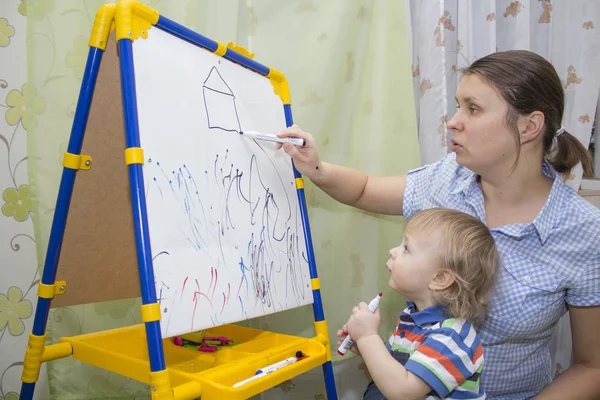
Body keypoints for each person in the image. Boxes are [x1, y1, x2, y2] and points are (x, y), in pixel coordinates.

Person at [276, 50, 600, 399]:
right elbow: (366, 189)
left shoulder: (583, 231)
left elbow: (591, 367)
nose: (453, 121)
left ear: (529, 126)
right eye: (458, 105)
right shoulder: (447, 178)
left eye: (473, 109)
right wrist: (315, 167)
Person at [337, 208, 499, 399]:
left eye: (406, 248)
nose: (393, 251)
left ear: (439, 278)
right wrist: (366, 348)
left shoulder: (451, 337)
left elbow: (403, 391)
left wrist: (367, 337)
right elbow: (394, 366)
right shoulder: (411, 316)